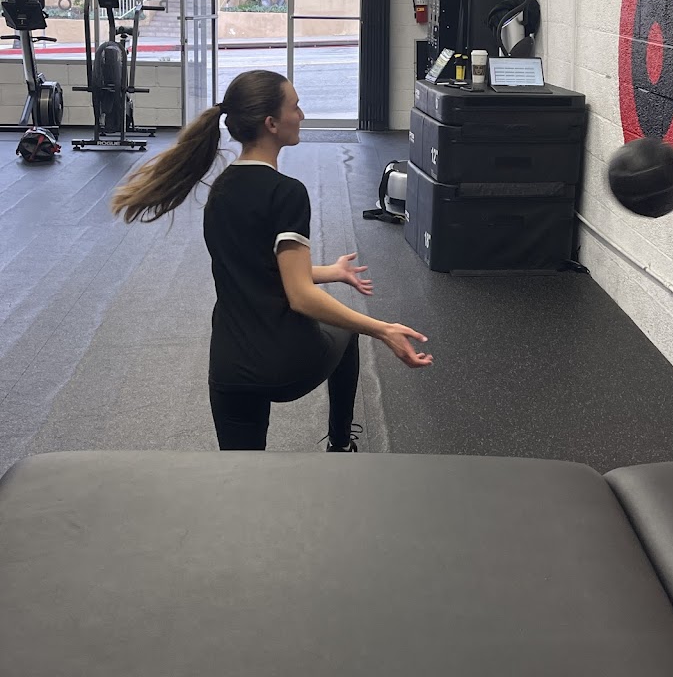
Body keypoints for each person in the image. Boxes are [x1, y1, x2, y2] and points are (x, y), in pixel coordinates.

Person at [112, 69, 433, 452]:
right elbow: (300, 296)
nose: (301, 115)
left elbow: (257, 268)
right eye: (295, 107)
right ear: (271, 123)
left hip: (229, 367)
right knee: (347, 332)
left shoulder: (220, 191)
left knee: (241, 476)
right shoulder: (286, 193)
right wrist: (382, 329)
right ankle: (340, 446)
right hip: (284, 364)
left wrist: (330, 272)